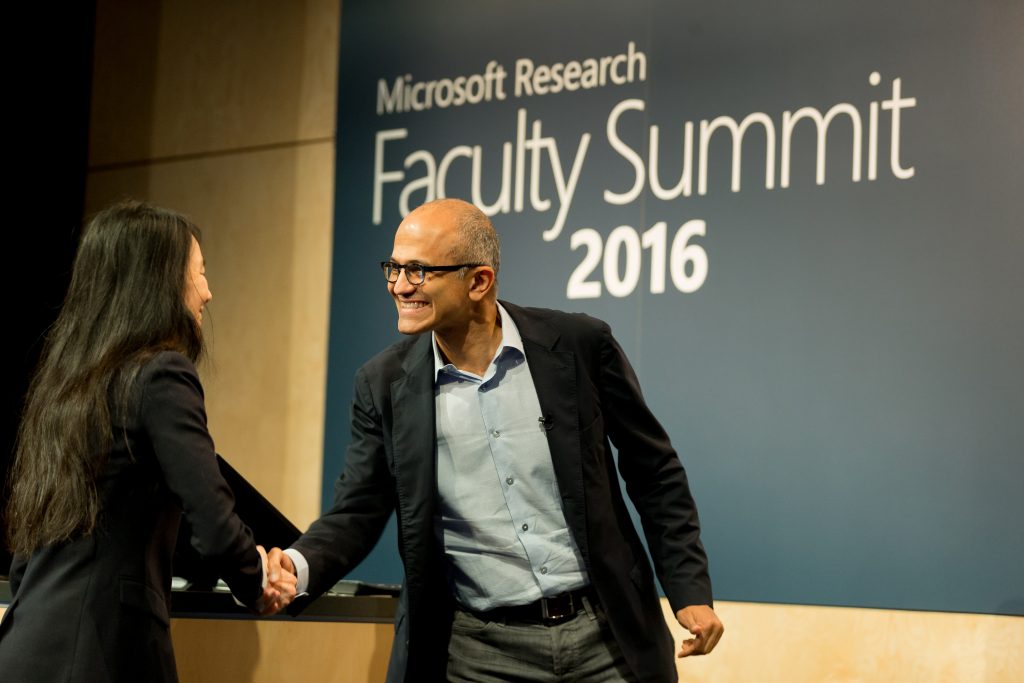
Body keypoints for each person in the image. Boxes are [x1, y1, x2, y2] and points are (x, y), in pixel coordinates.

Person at [267, 197, 723, 682]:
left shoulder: (578, 346)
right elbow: (357, 509)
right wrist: (297, 566)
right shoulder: (381, 384)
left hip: (605, 638)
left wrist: (689, 589)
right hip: (480, 654)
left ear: (478, 281)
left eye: (419, 271)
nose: (400, 286)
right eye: (394, 269)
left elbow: (654, 472)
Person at [0, 200, 296, 682]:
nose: (208, 292)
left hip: (25, 647)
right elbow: (212, 517)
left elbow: (28, 545)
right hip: (101, 657)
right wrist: (256, 578)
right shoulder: (161, 374)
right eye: (198, 273)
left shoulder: (63, 387)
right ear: (157, 280)